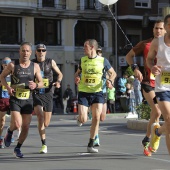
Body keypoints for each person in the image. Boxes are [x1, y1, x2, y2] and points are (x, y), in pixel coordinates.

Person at [126, 20, 166, 156]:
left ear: (166, 30)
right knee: (157, 111)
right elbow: (129, 56)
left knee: (156, 114)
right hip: (149, 83)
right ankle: (151, 137)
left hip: (165, 84)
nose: (158, 31)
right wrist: (135, 69)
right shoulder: (145, 44)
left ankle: (148, 137)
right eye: (156, 28)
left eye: (161, 28)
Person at [0, 42, 43, 158]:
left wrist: (36, 85)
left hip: (28, 99)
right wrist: (8, 87)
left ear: (31, 53)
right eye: (23, 51)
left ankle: (17, 147)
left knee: (26, 126)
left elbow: (41, 82)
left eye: (27, 51)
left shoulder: (35, 66)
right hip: (15, 98)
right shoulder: (13, 65)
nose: (25, 53)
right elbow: (2, 76)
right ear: (19, 52)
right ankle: (10, 131)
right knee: (18, 123)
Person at [75, 39, 117, 153]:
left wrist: (110, 81)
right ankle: (79, 118)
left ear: (92, 47)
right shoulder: (82, 60)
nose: (83, 49)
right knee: (83, 118)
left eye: (85, 47)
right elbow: (77, 73)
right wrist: (77, 77)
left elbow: (113, 73)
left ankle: (91, 143)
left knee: (97, 117)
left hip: (98, 92)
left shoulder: (103, 61)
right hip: (84, 92)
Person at [32, 44, 63, 154]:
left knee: (46, 123)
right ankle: (44, 144)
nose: (41, 52)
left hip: (48, 93)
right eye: (39, 50)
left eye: (43, 50)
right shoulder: (32, 63)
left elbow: (60, 74)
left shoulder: (51, 62)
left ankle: (41, 127)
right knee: (40, 116)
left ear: (46, 52)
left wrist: (58, 82)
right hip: (36, 93)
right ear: (35, 52)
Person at [146, 14, 170, 155]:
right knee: (168, 119)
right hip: (163, 87)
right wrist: (152, 67)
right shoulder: (157, 43)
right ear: (166, 27)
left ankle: (158, 131)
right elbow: (149, 59)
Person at [0, 57, 11, 148]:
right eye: (4, 64)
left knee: (17, 121)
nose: (6, 66)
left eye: (7, 65)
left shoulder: (14, 75)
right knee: (2, 120)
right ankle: (0, 138)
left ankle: (10, 132)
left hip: (12, 100)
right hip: (2, 99)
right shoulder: (0, 75)